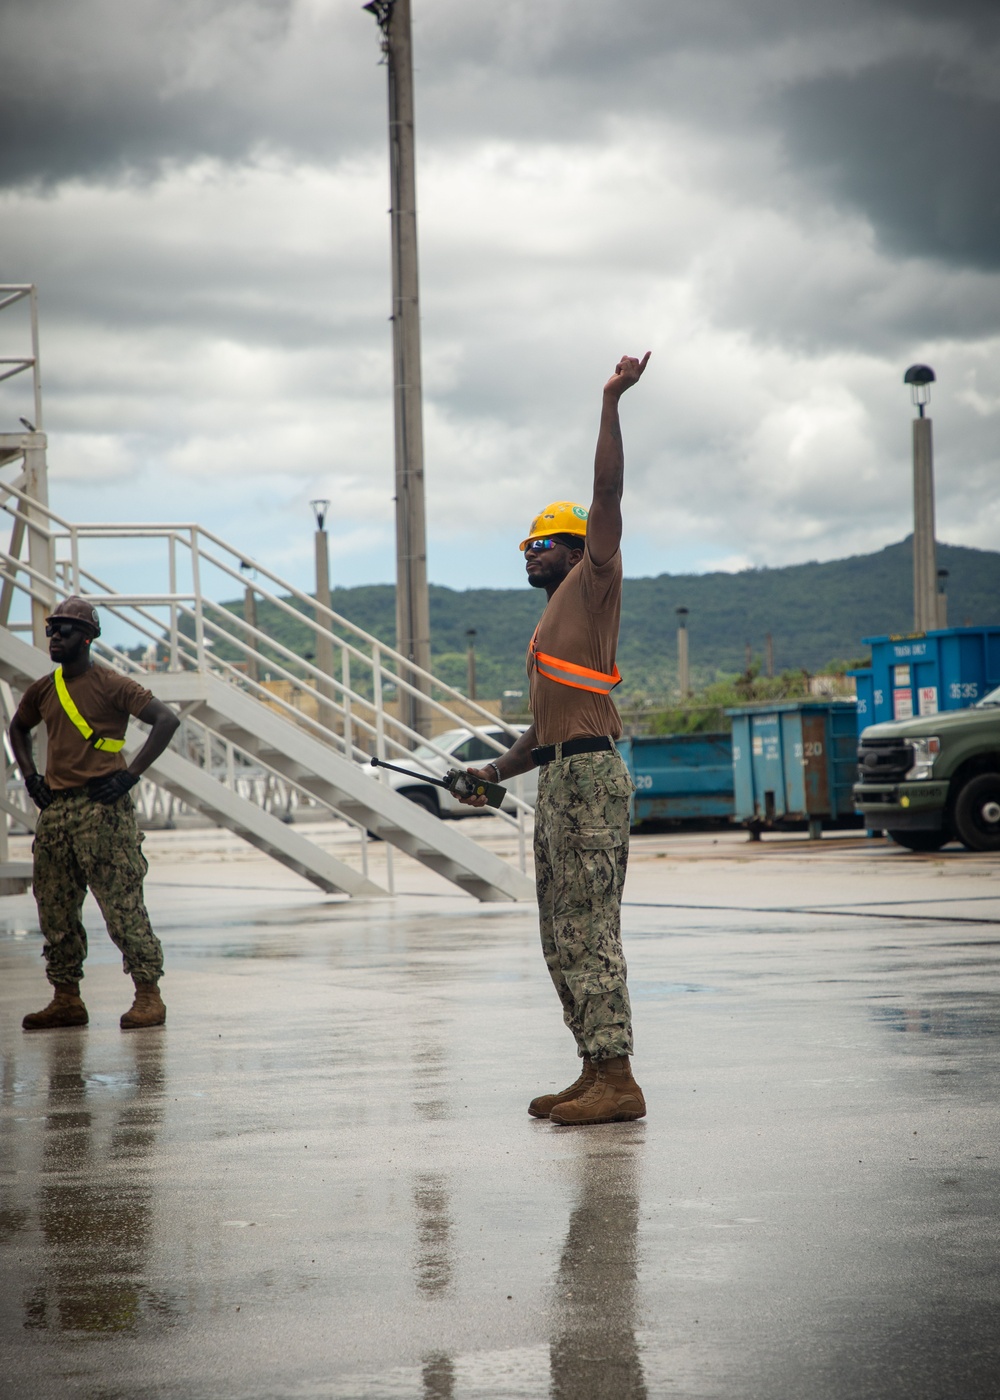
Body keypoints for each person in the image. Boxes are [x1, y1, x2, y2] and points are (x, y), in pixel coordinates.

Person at [460, 352, 650, 1125]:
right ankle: (590, 1064)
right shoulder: (547, 627)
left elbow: (606, 490)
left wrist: (610, 402)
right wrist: (493, 772)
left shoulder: (593, 579)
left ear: (578, 549)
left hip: (592, 779)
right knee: (559, 930)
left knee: (590, 926)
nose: (531, 552)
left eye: (542, 543)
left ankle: (619, 1078)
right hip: (560, 778)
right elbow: (544, 731)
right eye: (527, 546)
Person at [9, 596, 181, 1031]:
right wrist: (31, 778)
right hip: (58, 812)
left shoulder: (111, 684)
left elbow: (165, 720)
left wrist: (129, 776)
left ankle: (148, 994)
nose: (54, 636)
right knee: (55, 910)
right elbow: (17, 727)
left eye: (64, 630)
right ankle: (66, 997)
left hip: (103, 811)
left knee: (122, 907)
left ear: (87, 637)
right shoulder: (46, 689)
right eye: (51, 629)